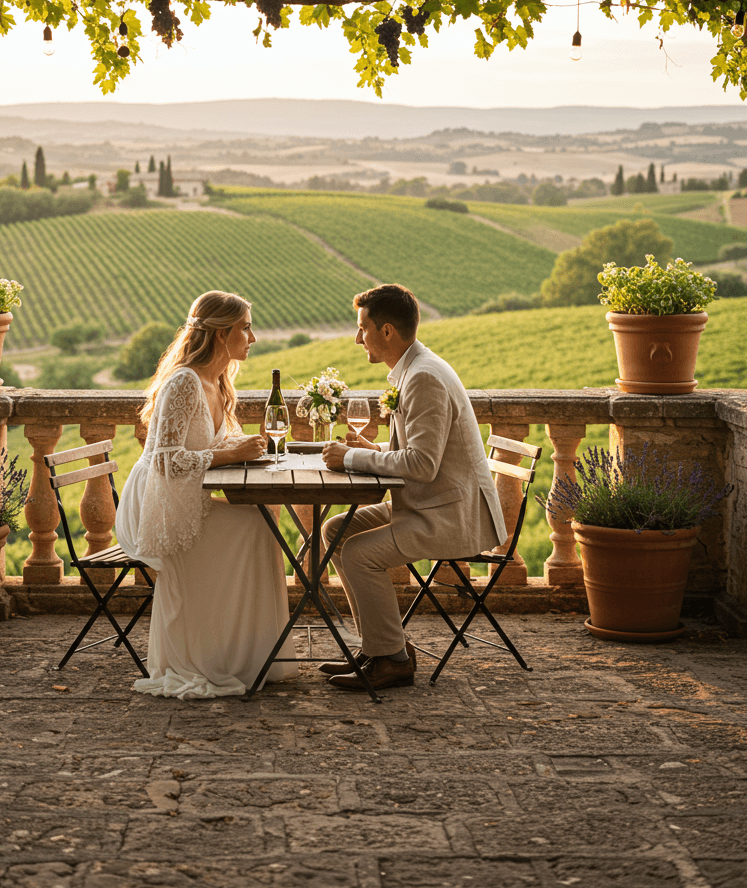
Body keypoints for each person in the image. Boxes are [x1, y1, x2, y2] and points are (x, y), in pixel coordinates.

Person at [320, 283, 507, 692]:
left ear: (387, 331)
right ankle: (378, 646)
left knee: (358, 554)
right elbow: (420, 452)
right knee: (336, 530)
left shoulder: (424, 377)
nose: (357, 338)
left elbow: (422, 465)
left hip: (449, 515)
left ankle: (392, 660)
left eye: (362, 328)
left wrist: (351, 459)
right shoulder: (414, 368)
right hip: (427, 504)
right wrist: (373, 450)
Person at [116, 290, 298, 699]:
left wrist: (240, 449)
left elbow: (203, 448)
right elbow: (164, 459)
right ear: (221, 334)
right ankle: (213, 659)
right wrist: (232, 452)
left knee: (263, 522)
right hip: (159, 502)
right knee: (257, 525)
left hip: (183, 492)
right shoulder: (184, 382)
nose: (252, 337)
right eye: (245, 328)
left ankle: (244, 654)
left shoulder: (218, 380)